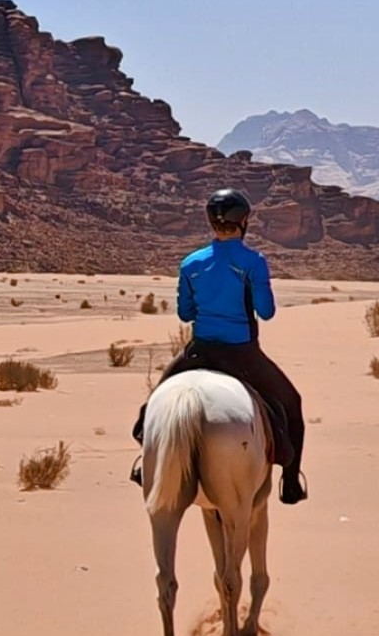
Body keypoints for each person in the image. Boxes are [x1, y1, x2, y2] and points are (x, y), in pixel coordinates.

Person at [131, 186, 308, 504]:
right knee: (291, 403)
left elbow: (185, 313)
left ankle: (144, 465)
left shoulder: (191, 263)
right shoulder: (253, 262)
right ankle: (291, 481)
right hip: (242, 354)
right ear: (243, 222)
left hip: (199, 351)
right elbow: (266, 312)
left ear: (211, 222)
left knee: (153, 405)